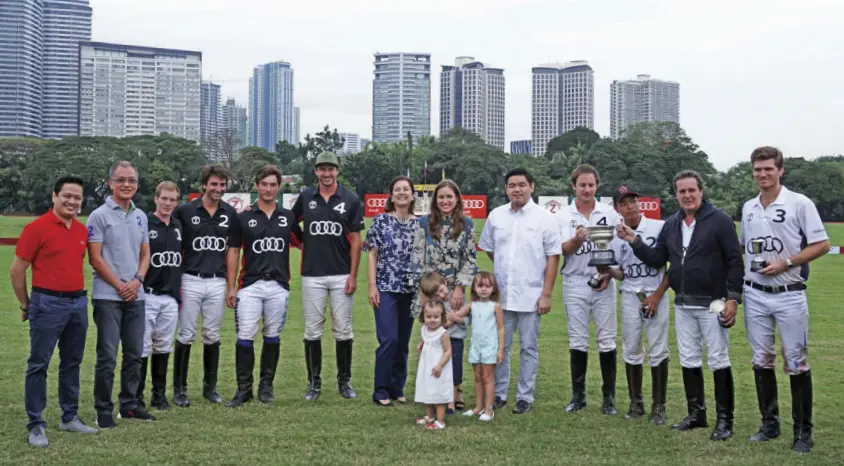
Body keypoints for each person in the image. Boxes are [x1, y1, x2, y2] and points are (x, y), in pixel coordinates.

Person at [617, 169, 744, 441]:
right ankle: (696, 414)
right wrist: (635, 241)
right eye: (682, 191)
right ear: (676, 194)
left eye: (691, 190)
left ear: (701, 191)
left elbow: (735, 261)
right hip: (684, 302)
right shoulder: (672, 224)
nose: (687, 195)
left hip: (714, 302)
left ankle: (725, 420)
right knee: (688, 359)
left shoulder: (720, 220)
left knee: (719, 359)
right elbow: (656, 259)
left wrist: (733, 298)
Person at [739, 147, 829, 453]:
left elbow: (822, 244)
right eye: (757, 170)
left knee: (797, 363)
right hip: (755, 293)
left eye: (768, 169)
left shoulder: (799, 203)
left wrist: (788, 262)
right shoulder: (749, 206)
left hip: (789, 294)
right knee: (761, 360)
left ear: (780, 170)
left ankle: (803, 431)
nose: (762, 174)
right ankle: (769, 424)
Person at [10, 176, 98, 448]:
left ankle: (69, 416)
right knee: (39, 364)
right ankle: (36, 424)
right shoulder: (37, 228)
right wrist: (26, 304)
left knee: (71, 362)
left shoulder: (82, 231)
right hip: (47, 302)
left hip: (77, 303)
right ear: (54, 196)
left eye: (77, 197)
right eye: (67, 196)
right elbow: (17, 269)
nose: (72, 201)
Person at [479, 168, 561, 414]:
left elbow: (553, 257)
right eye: (512, 185)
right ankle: (500, 393)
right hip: (502, 295)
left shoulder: (544, 218)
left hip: (531, 295)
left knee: (529, 347)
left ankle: (525, 396)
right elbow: (490, 248)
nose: (517, 189)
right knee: (500, 346)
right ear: (506, 189)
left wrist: (546, 293)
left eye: (522, 185)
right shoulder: (496, 215)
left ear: (532, 187)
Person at [224, 165, 303, 407]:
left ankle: (266, 387)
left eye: (273, 185)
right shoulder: (243, 217)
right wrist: (231, 287)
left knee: (272, 336)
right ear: (257, 185)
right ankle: (243, 389)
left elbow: (303, 244)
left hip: (278, 285)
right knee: (245, 336)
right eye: (264, 184)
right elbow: (234, 251)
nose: (268, 189)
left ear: (279, 187)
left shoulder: (287, 217)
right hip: (250, 284)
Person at [292, 151, 365, 400]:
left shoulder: (351, 199)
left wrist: (353, 276)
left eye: (330, 169)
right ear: (316, 171)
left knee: (343, 330)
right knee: (313, 330)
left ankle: (344, 382)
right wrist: (304, 243)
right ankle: (314, 383)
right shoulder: (305, 197)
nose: (326, 173)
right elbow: (290, 223)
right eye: (322, 169)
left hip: (341, 273)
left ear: (337, 171)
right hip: (312, 274)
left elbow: (356, 241)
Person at [87, 160, 153, 428]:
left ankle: (130, 404)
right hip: (108, 296)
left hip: (135, 295)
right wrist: (119, 285)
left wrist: (137, 280)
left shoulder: (140, 215)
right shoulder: (99, 215)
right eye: (121, 180)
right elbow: (95, 258)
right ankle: (103, 409)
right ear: (110, 183)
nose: (127, 185)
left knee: (135, 354)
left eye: (132, 180)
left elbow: (145, 252)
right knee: (107, 356)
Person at [172, 164, 241, 406]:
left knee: (212, 335)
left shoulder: (230, 213)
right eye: (214, 184)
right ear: (204, 185)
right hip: (190, 278)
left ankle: (209, 388)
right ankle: (179, 389)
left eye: (222, 185)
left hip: (217, 281)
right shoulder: (185, 211)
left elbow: (233, 252)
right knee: (186, 334)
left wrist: (231, 287)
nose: (218, 189)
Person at [409, 179, 478, 413]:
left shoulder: (467, 224)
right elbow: (417, 259)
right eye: (441, 197)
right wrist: (424, 294)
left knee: (454, 343)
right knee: (433, 342)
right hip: (431, 292)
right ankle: (432, 390)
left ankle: (455, 390)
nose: (445, 201)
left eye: (450, 196)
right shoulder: (423, 223)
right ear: (434, 200)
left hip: (454, 293)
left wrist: (459, 287)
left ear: (457, 199)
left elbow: (470, 259)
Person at [557, 165, 621, 415]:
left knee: (607, 340)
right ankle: (578, 397)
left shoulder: (609, 213)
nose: (586, 189)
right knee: (578, 340)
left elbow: (618, 250)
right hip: (575, 281)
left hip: (603, 281)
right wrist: (577, 239)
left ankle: (609, 399)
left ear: (597, 186)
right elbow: (562, 250)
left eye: (591, 185)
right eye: (581, 185)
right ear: (574, 186)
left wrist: (608, 272)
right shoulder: (563, 215)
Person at [604, 186, 670, 424]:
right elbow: (622, 272)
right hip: (630, 294)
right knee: (631, 347)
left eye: (633, 201)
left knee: (658, 348)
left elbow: (670, 267)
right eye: (624, 203)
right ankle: (636, 403)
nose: (630, 206)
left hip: (655, 293)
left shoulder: (659, 227)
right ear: (618, 208)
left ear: (640, 203)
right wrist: (606, 271)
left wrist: (658, 295)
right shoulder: (614, 236)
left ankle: (659, 407)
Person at [364, 176, 419, 407]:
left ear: (413, 195)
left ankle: (397, 387)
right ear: (391, 195)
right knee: (388, 338)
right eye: (397, 190)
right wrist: (372, 285)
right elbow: (372, 253)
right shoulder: (381, 221)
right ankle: (381, 389)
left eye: (406, 189)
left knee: (403, 341)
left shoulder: (421, 223)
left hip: (411, 289)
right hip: (386, 287)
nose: (402, 193)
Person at [137, 182, 183, 411]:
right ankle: (137, 395)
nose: (167, 203)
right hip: (147, 293)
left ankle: (159, 394)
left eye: (172, 200)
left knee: (164, 346)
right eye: (164, 198)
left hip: (170, 297)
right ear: (156, 199)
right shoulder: (144, 222)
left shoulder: (178, 225)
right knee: (143, 346)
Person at [447, 272, 505, 422]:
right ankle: (478, 407)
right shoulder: (472, 305)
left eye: (487, 286)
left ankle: (488, 409)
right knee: (478, 378)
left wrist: (501, 349)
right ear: (474, 288)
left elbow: (500, 328)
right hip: (476, 346)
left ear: (493, 288)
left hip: (490, 346)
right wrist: (445, 318)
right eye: (480, 286)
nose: (484, 289)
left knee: (488, 378)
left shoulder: (495, 306)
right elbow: (457, 316)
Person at [414, 300, 454, 430]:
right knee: (426, 389)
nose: (432, 320)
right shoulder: (424, 330)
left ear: (442, 317)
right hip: (426, 366)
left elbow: (448, 351)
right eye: (429, 317)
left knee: (438, 392)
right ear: (423, 317)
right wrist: (422, 344)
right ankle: (429, 416)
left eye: (436, 317)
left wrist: (440, 365)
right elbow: (427, 340)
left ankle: (440, 421)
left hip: (437, 367)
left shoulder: (443, 333)